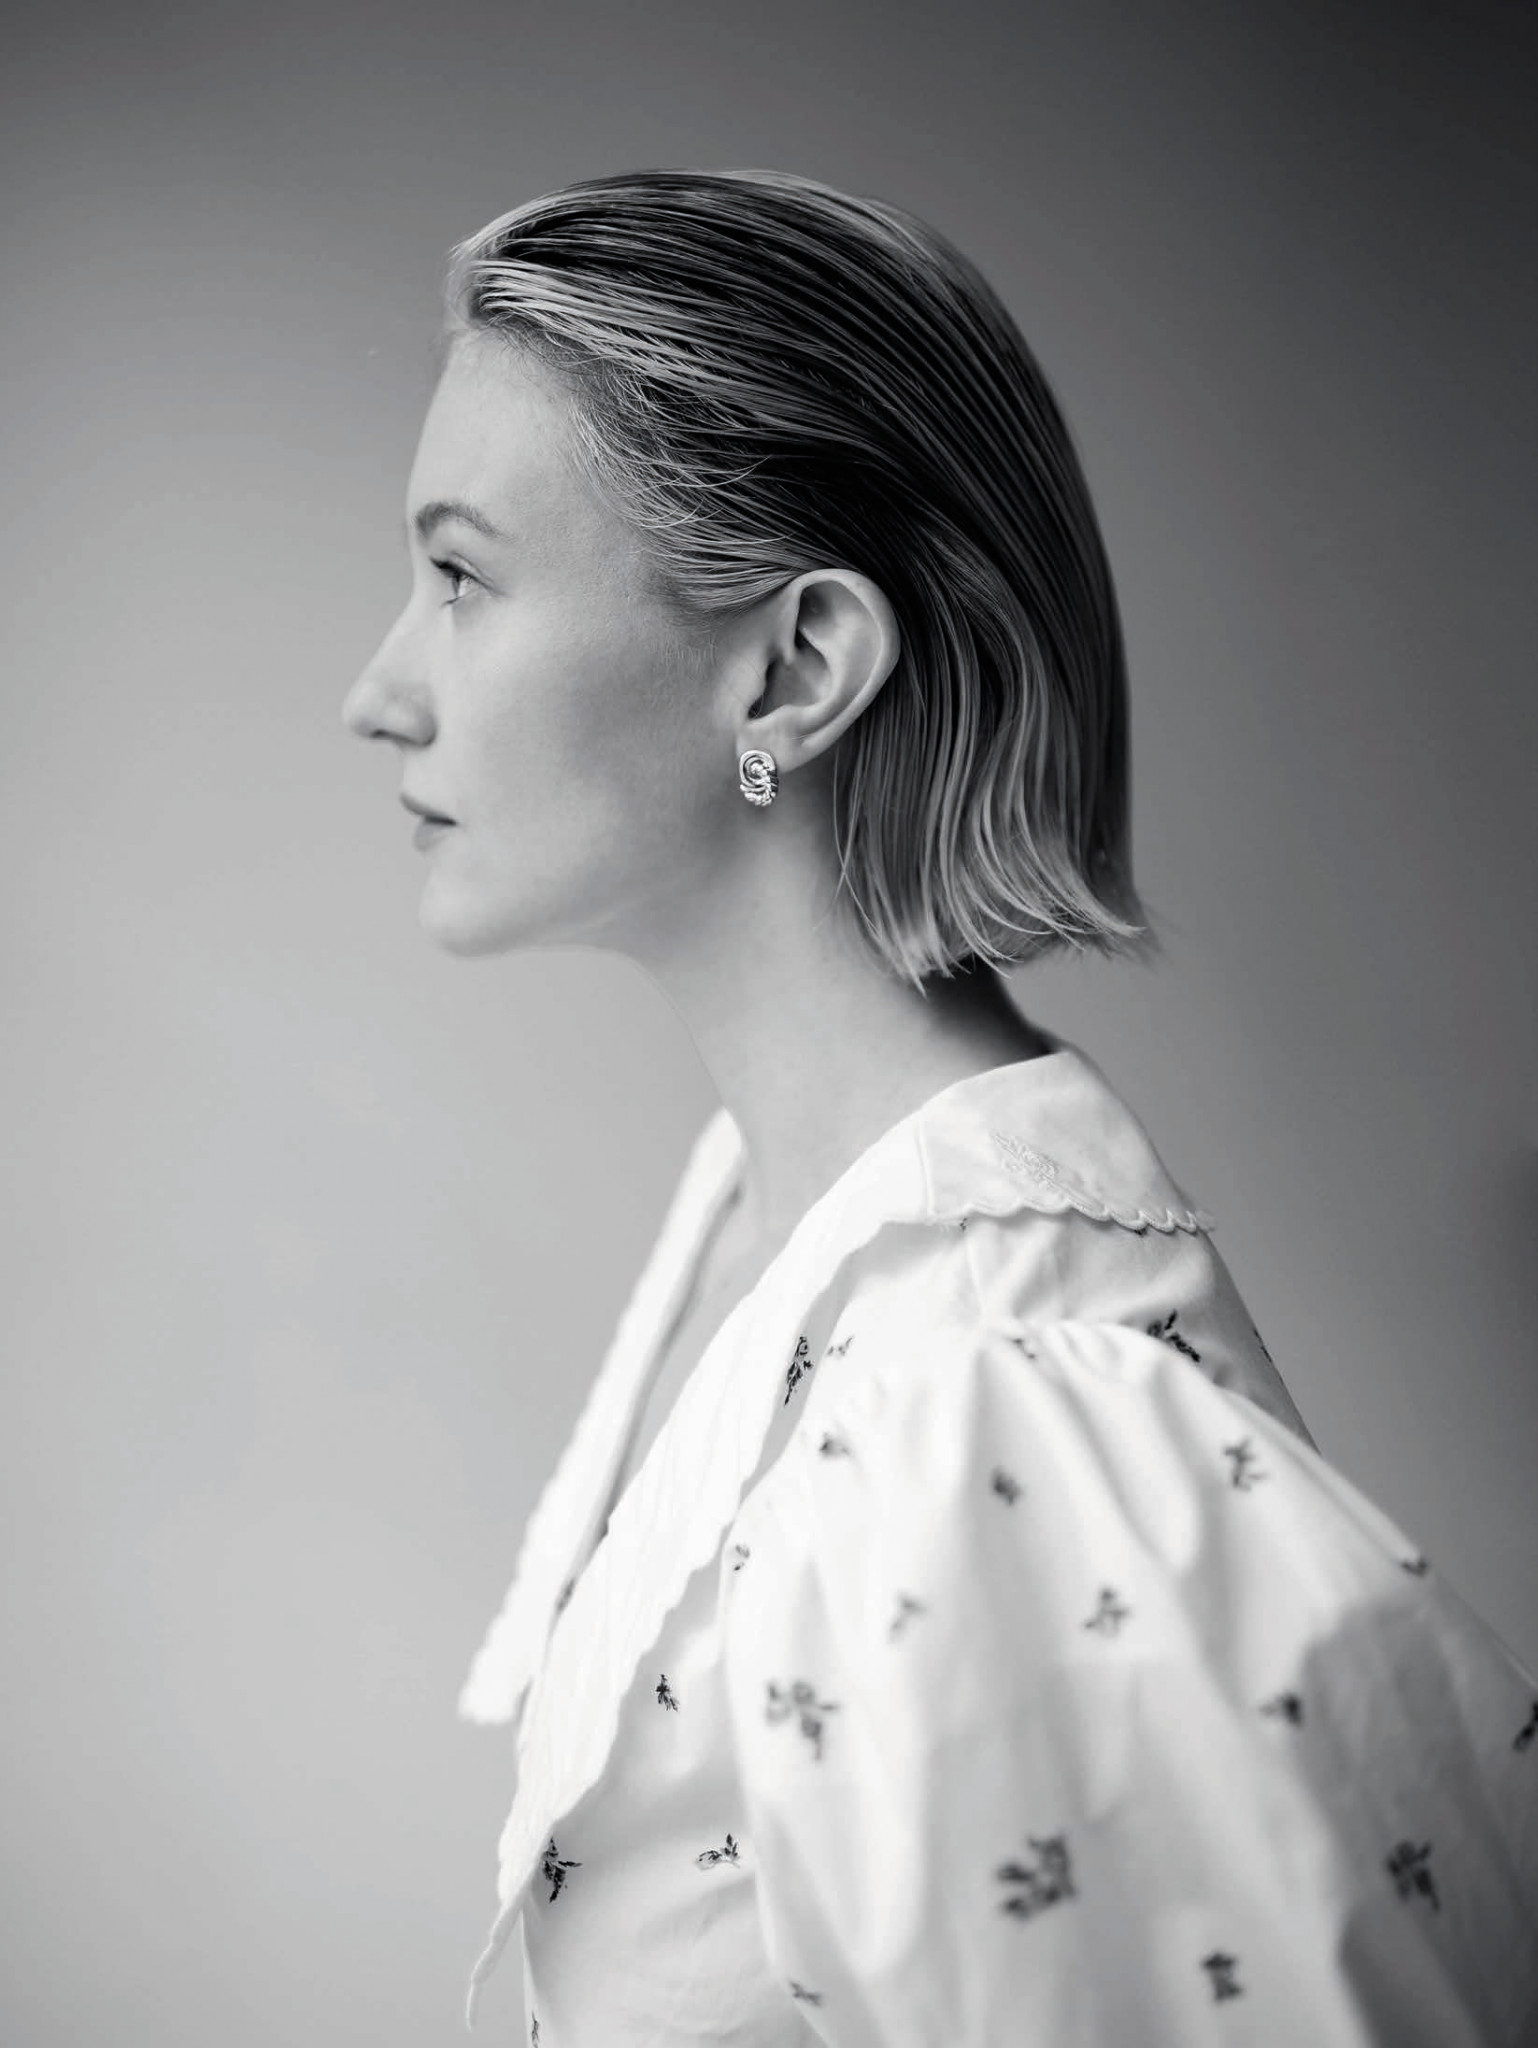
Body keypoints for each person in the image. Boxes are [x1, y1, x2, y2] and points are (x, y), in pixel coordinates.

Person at [341, 169, 1537, 2047]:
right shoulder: (776, 1223)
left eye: (462, 577)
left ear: (797, 667)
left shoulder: (966, 1415)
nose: (377, 691)